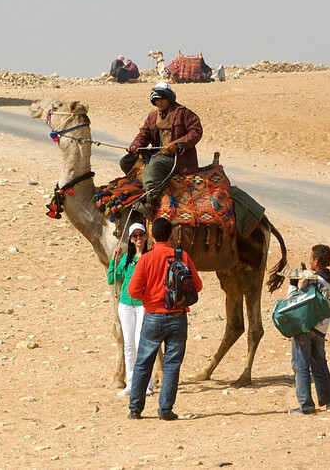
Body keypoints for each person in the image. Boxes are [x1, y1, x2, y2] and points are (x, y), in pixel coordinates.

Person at [126, 218, 203, 420]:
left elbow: (133, 291)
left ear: (152, 236)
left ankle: (135, 409)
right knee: (172, 364)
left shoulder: (146, 259)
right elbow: (198, 286)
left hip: (152, 317)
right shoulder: (181, 256)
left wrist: (150, 298)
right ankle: (165, 409)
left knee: (143, 363)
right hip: (178, 317)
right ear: (170, 235)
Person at [119, 82, 203, 218]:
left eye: (162, 99)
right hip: (156, 154)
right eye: (156, 100)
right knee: (126, 161)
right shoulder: (153, 117)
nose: (159, 102)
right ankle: (144, 186)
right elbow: (144, 133)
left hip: (176, 158)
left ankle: (151, 202)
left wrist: (178, 143)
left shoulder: (183, 113)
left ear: (169, 98)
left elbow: (196, 131)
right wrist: (135, 145)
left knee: (152, 169)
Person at [288, 244, 330, 414]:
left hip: (305, 327)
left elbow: (293, 301)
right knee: (320, 365)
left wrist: (293, 283)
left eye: (311, 258)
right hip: (321, 328)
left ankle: (306, 405)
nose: (310, 261)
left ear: (316, 261)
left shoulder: (313, 280)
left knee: (301, 364)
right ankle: (329, 402)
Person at [108, 222, 154, 397]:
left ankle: (147, 384)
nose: (138, 239)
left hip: (143, 305)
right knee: (128, 344)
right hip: (126, 305)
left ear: (145, 237)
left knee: (141, 344)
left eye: (141, 235)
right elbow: (112, 279)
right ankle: (131, 384)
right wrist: (114, 259)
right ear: (131, 239)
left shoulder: (150, 257)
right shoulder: (127, 259)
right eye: (135, 236)